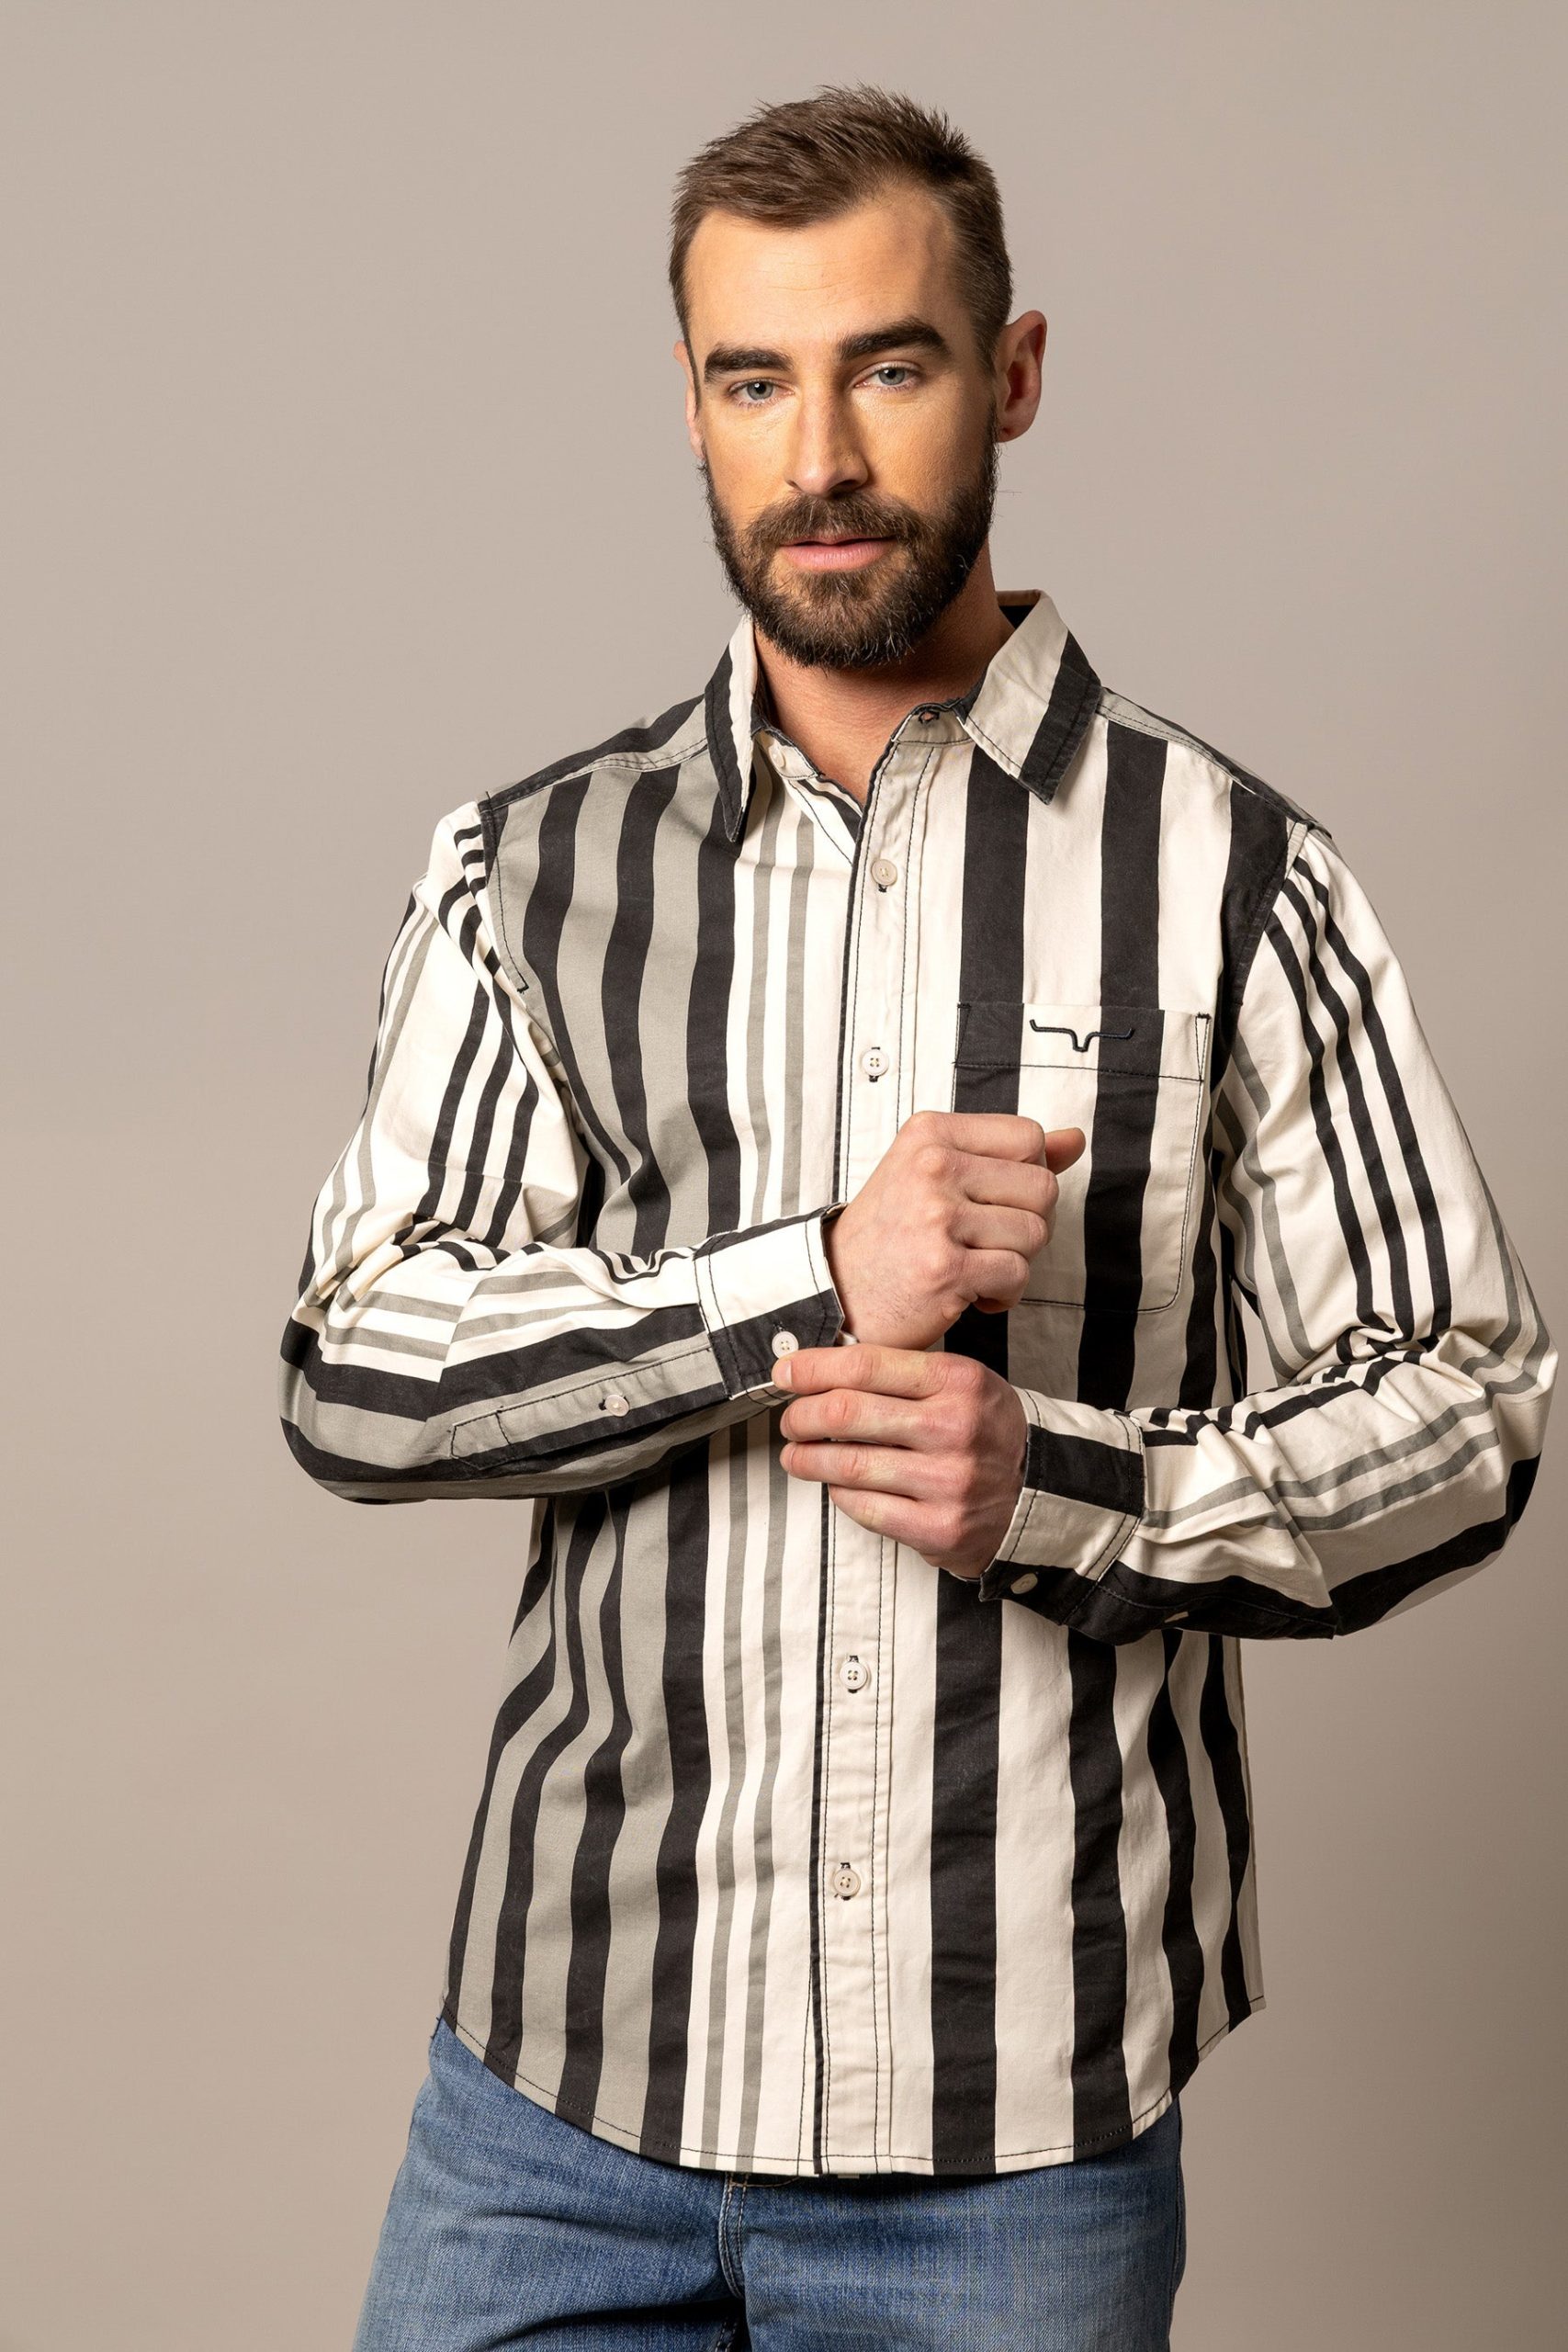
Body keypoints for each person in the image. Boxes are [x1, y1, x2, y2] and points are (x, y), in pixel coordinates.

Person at [279, 83, 1554, 2352]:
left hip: (1016, 2149)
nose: (820, 456)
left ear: (1013, 372)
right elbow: (354, 1361)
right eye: (750, 381)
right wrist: (799, 1283)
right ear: (688, 404)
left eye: (887, 365)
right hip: (558, 2112)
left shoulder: (1231, 876)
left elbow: (1463, 1407)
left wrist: (1060, 1487)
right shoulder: (531, 875)